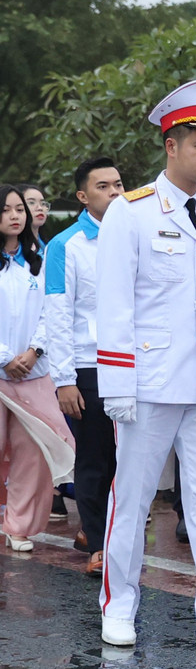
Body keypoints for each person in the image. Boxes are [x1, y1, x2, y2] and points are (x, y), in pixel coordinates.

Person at [95, 79, 196, 655]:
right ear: (171, 145)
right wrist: (116, 383)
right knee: (134, 496)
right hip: (150, 380)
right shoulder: (131, 212)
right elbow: (113, 306)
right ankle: (119, 605)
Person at [44, 158, 124, 577]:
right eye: (103, 186)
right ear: (83, 196)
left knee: (126, 459)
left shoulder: (134, 238)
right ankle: (97, 542)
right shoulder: (66, 245)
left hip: (132, 365)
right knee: (96, 458)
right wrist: (64, 380)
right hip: (88, 366)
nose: (114, 193)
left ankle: (105, 533)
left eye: (118, 184)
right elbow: (57, 315)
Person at [0, 184, 74, 553]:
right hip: (1, 371)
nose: (15, 216)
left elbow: (53, 309)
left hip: (33, 372)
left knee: (33, 451)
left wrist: (34, 349)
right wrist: (4, 357)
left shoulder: (41, 259)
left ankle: (19, 525)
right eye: (7, 209)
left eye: (19, 210)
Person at [17, 183, 48, 253]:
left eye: (43, 203)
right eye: (31, 202)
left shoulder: (48, 244)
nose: (40, 208)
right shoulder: (14, 249)